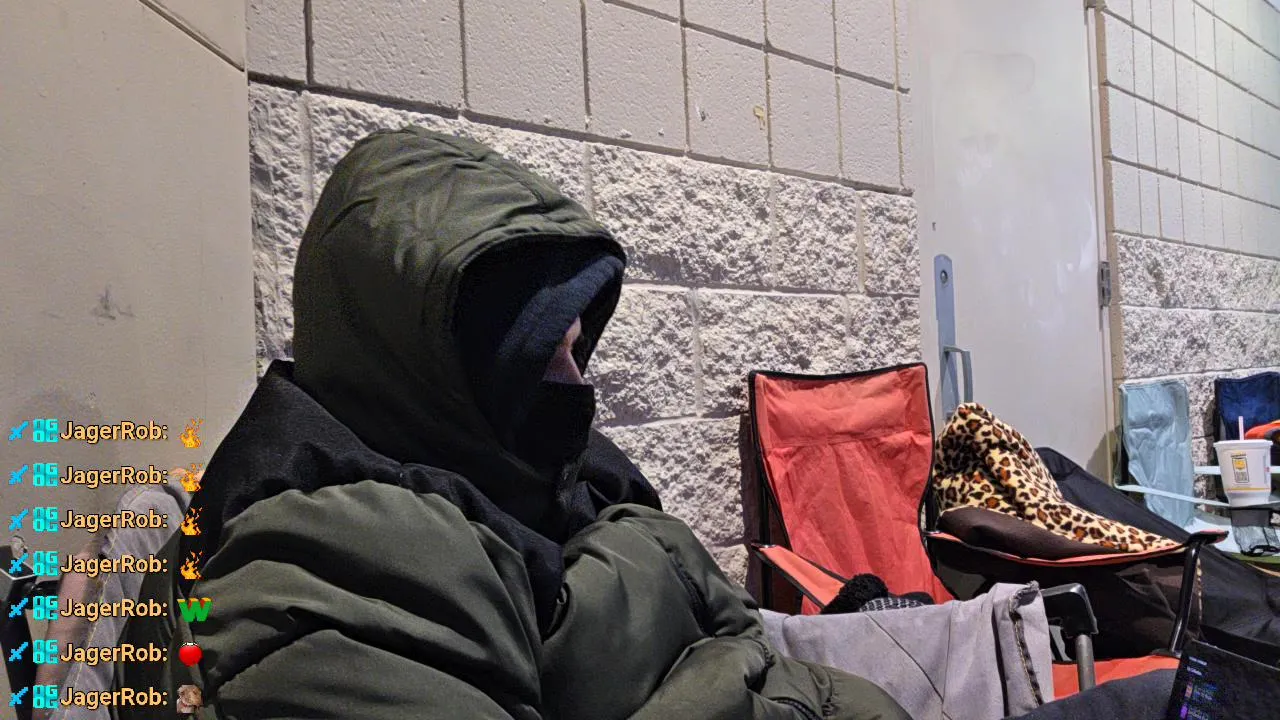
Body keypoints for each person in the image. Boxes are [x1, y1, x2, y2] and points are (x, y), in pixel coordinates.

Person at [114, 127, 911, 719]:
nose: (578, 388)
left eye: (577, 349)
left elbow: (738, 643)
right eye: (544, 357)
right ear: (447, 368)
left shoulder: (546, 479)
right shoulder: (321, 573)